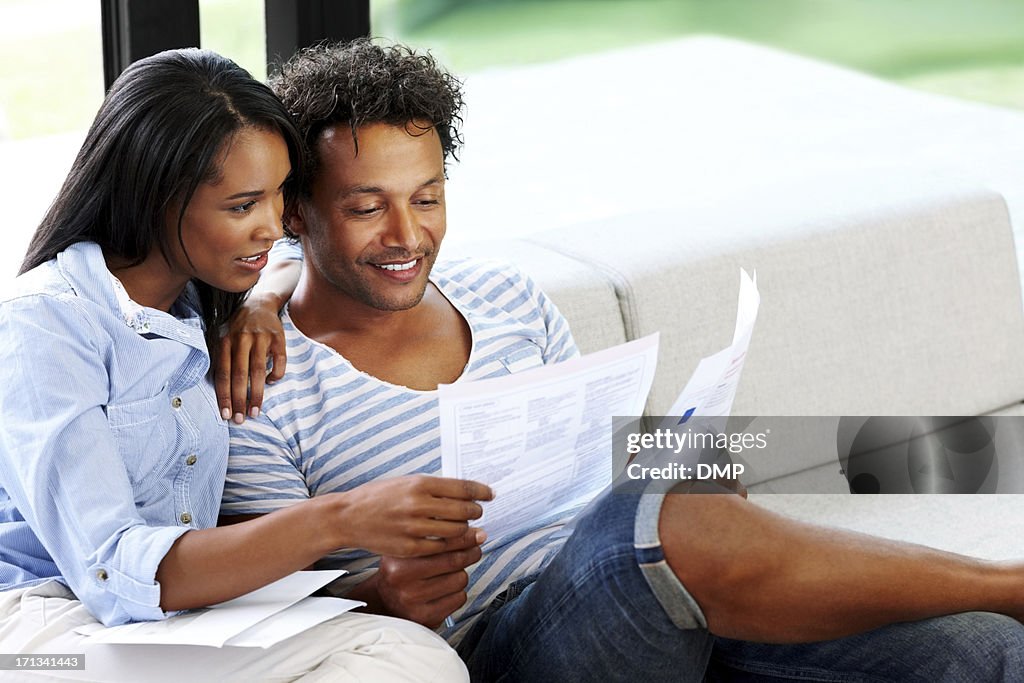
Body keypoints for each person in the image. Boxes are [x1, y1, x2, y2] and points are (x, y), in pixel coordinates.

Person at [219, 39, 1024, 682]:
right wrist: (380, 591)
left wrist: (695, 469)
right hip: (512, 643)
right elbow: (274, 605)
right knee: (658, 513)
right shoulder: (259, 384)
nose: (407, 234)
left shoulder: (509, 297)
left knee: (982, 652)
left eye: (426, 197)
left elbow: (602, 468)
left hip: (664, 599)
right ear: (296, 210)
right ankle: (1008, 581)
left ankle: (992, 606)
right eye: (366, 207)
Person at [0, 47, 475, 683]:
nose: (275, 226)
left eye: (280, 196)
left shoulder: (208, 301)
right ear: (154, 198)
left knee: (410, 659)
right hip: (44, 626)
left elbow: (294, 258)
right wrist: (343, 515)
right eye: (243, 206)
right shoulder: (44, 326)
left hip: (177, 619)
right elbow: (114, 571)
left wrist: (261, 301)